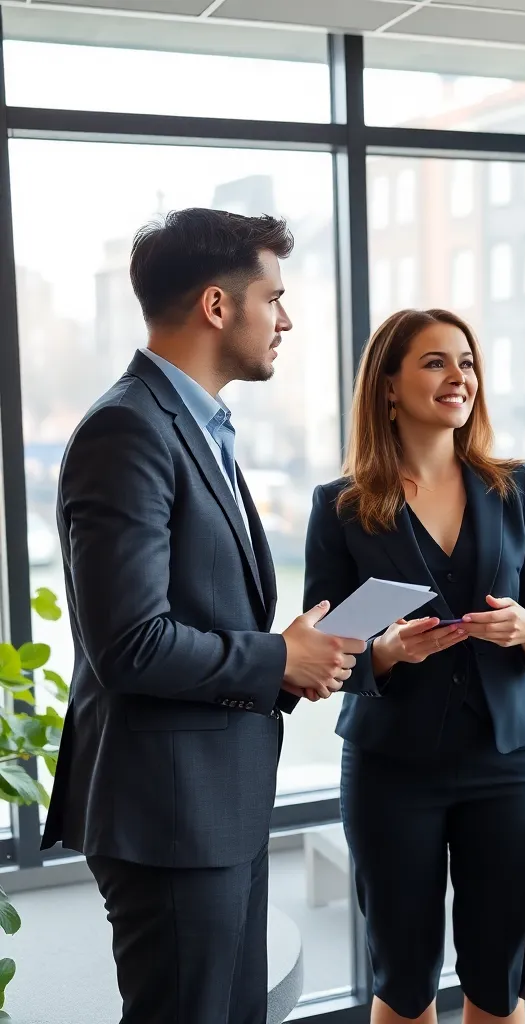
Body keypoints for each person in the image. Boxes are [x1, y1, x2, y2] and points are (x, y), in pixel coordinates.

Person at [41, 208, 365, 1024]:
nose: (286, 318)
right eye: (274, 297)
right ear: (218, 307)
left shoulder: (195, 424)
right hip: (170, 815)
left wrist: (299, 656)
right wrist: (275, 658)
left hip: (215, 803)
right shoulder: (128, 429)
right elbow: (130, 644)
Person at [303, 308, 525, 1024]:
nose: (460, 377)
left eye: (467, 362)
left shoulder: (515, 487)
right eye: (434, 363)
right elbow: (320, 652)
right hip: (392, 767)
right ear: (388, 387)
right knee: (405, 977)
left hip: (506, 761)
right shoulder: (341, 508)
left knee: (497, 973)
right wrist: (384, 655)